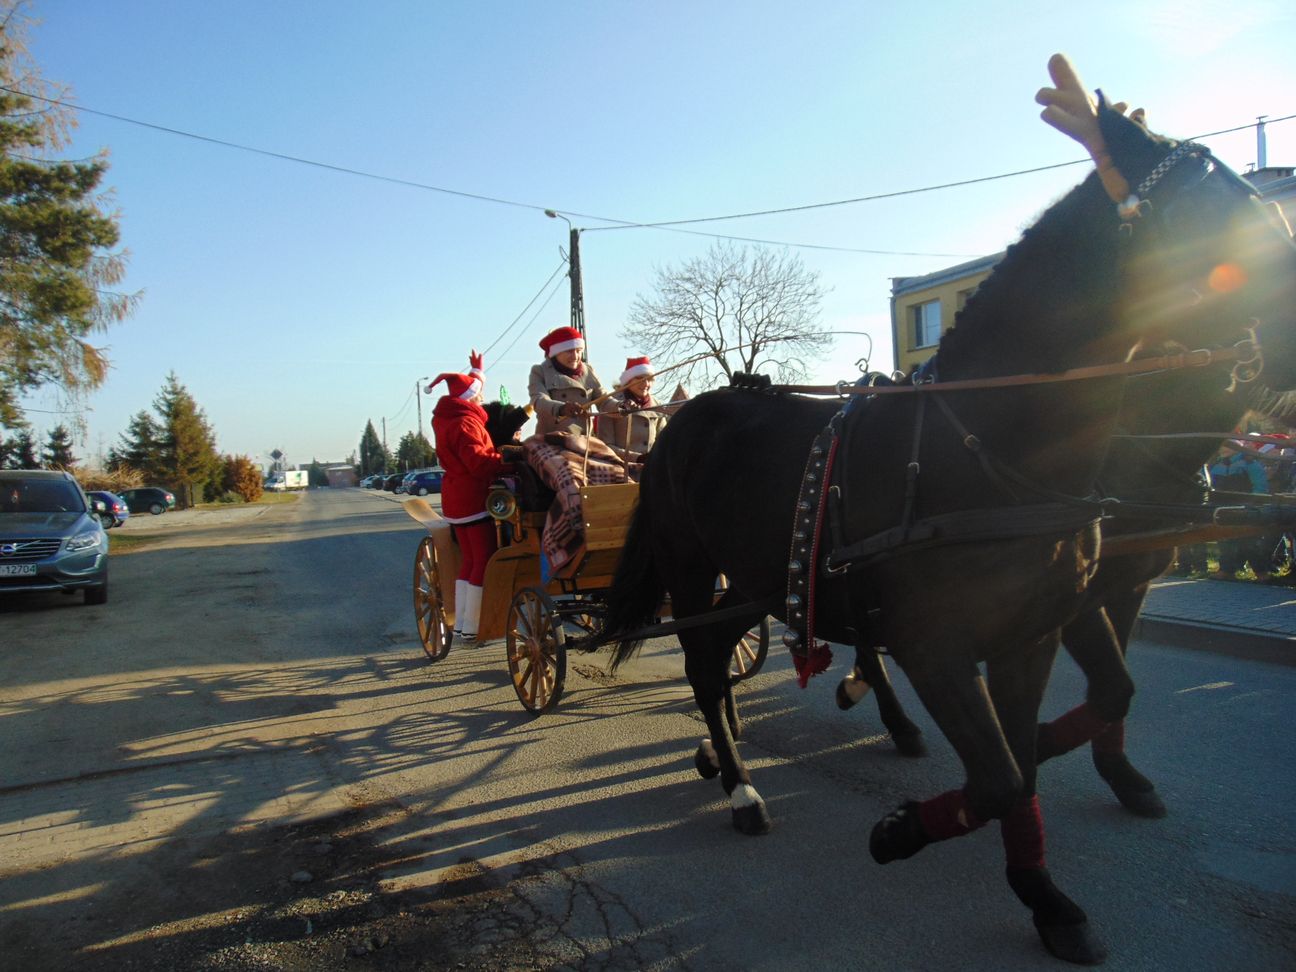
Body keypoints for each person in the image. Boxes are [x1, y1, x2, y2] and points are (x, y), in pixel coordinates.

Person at [428, 350, 511, 640]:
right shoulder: (465, 423)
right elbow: (478, 463)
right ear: (469, 398)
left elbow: (472, 387)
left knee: (469, 560)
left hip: (457, 498)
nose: (480, 398)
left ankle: (464, 623)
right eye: (477, 395)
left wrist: (477, 371)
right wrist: (506, 460)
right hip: (473, 499)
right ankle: (475, 625)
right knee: (484, 559)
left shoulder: (451, 417)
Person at [528, 325, 608, 437]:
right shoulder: (540, 371)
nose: (575, 356)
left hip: (585, 441)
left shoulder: (588, 370)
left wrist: (621, 405)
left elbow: (604, 400)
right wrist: (561, 408)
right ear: (556, 352)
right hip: (552, 440)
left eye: (579, 351)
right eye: (569, 351)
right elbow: (539, 401)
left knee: (611, 455)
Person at [601, 355, 670, 461]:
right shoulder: (611, 404)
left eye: (649, 379)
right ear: (628, 380)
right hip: (621, 470)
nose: (646, 384)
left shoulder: (657, 405)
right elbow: (605, 446)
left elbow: (665, 442)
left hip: (651, 470)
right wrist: (637, 458)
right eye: (639, 378)